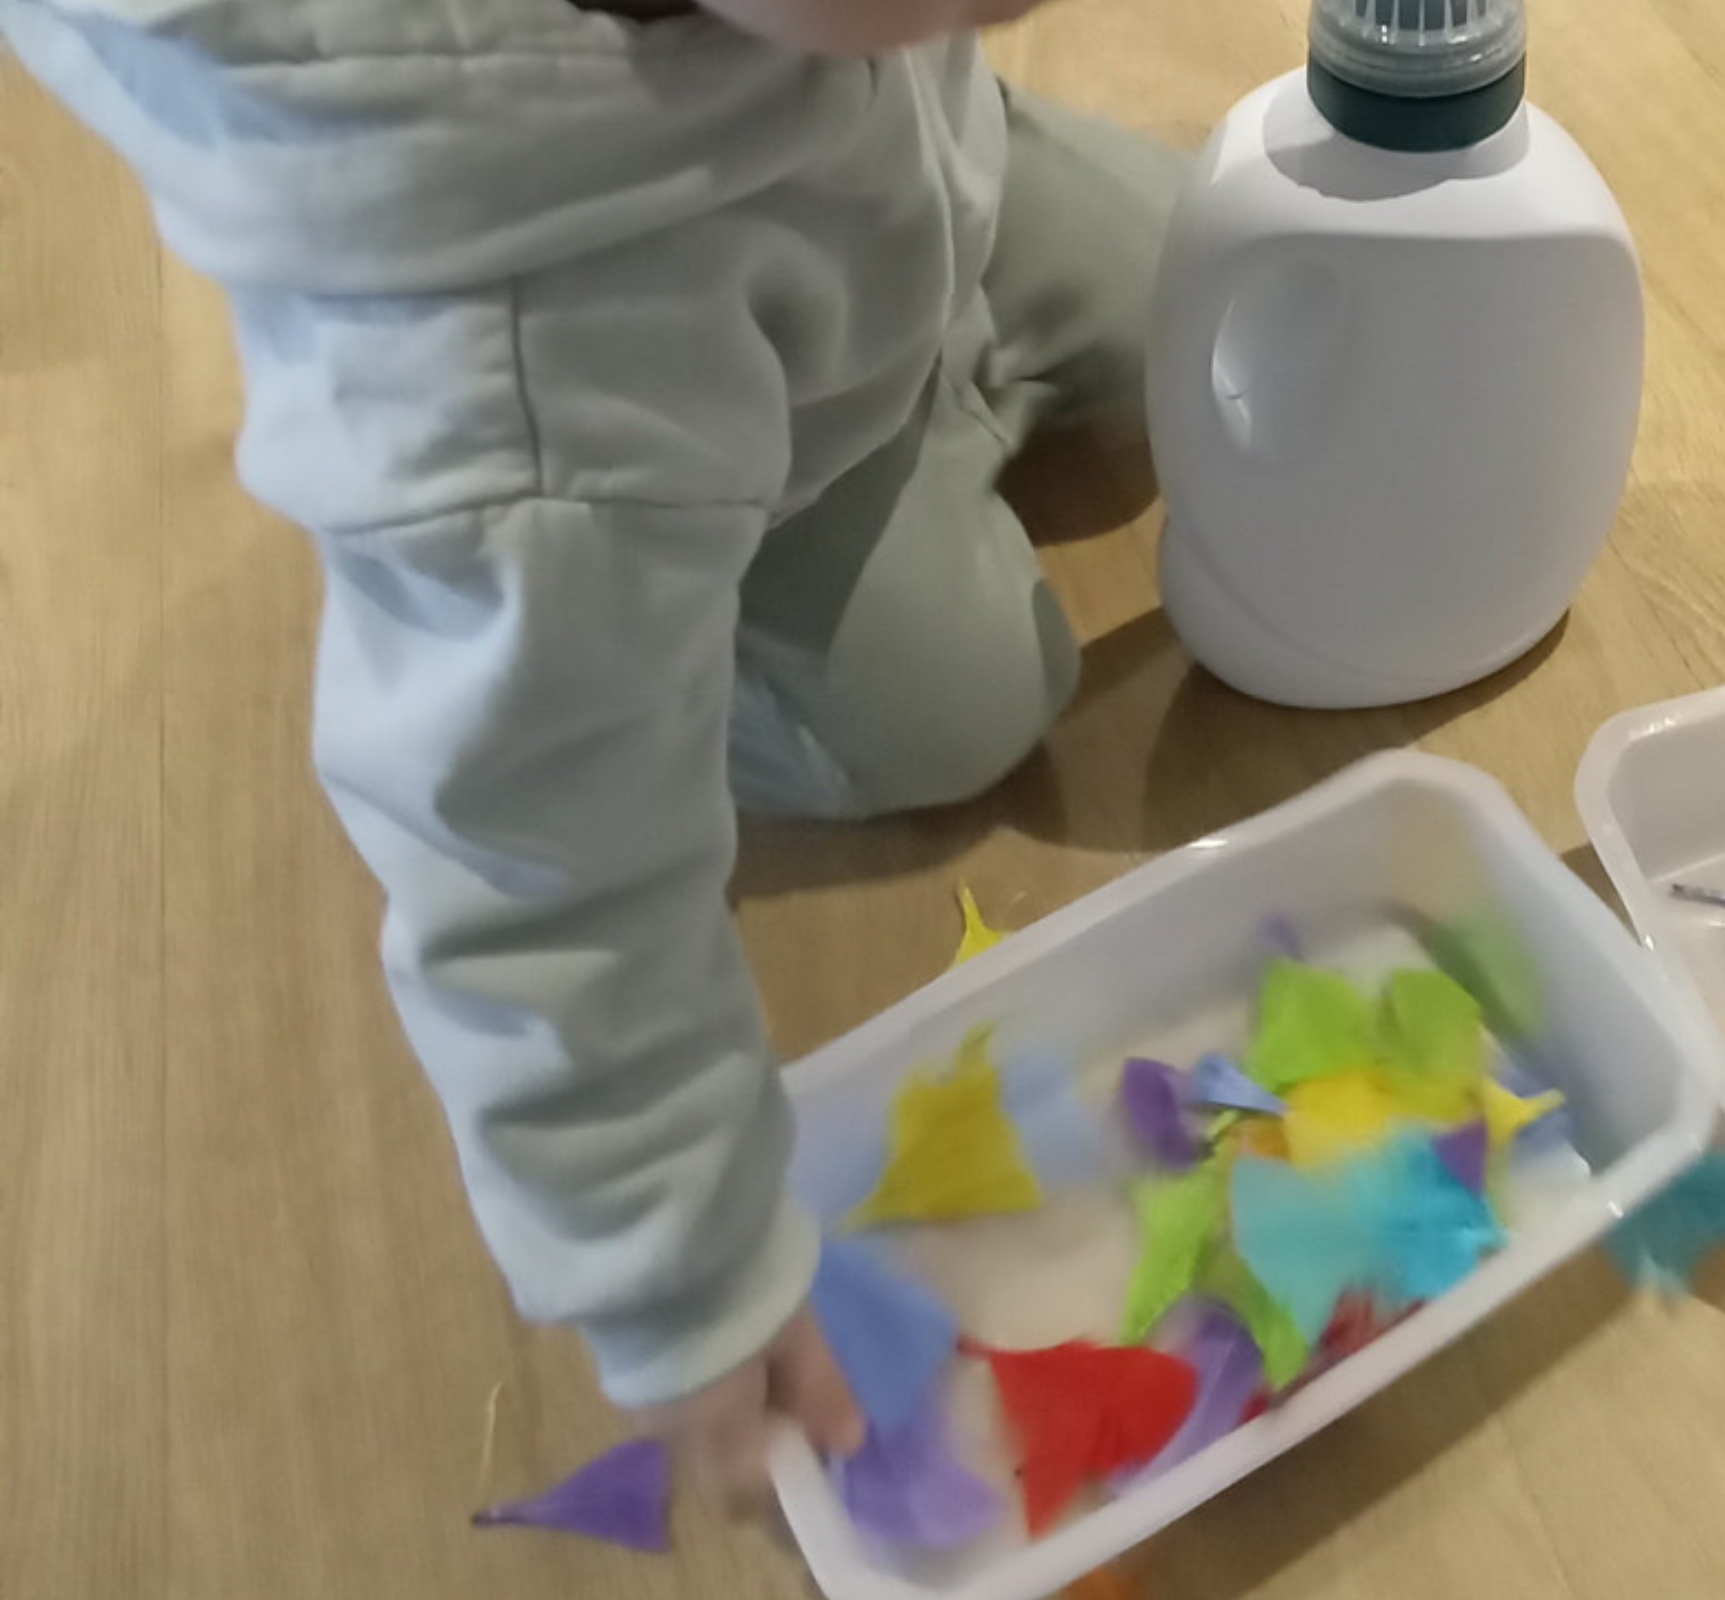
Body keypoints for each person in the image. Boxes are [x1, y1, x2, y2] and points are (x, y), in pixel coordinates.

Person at [1, 0, 1182, 1517]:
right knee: (964, 697)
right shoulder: (512, 354)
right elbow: (530, 865)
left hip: (868, 183)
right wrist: (680, 1258)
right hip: (687, 430)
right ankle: (685, 654)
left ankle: (906, 246)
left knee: (1214, 268)